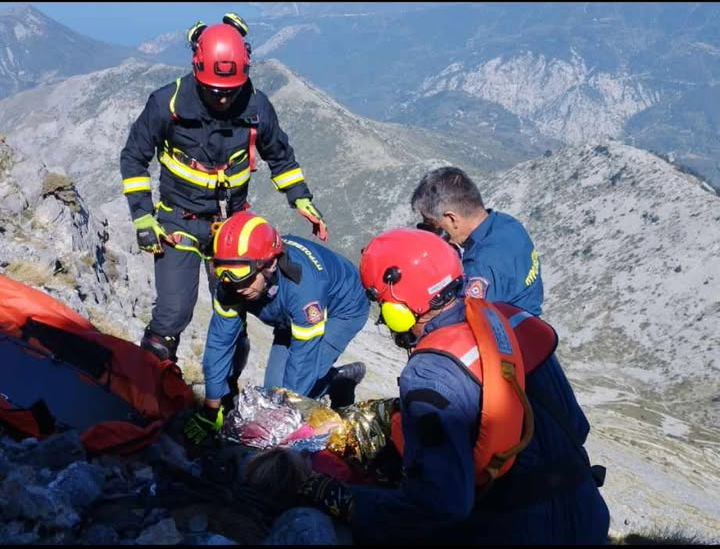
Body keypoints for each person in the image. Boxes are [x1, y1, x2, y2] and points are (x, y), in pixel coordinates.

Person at [297, 227, 609, 544]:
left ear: (397, 310)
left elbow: (439, 504)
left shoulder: (428, 374)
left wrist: (341, 497)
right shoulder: (510, 320)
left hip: (516, 529)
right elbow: (575, 426)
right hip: (587, 514)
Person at [120, 13, 328, 363]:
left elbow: (279, 155)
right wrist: (142, 216)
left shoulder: (256, 105)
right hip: (177, 222)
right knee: (173, 314)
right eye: (215, 91)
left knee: (231, 318)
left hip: (232, 227)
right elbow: (134, 158)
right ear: (197, 69)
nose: (223, 100)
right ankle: (148, 390)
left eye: (230, 92)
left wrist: (300, 197)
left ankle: (222, 405)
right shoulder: (166, 104)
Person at [183, 211, 369, 445]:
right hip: (287, 313)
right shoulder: (232, 286)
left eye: (245, 278)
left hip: (341, 309)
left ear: (270, 264)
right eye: (227, 276)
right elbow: (220, 342)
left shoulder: (304, 289)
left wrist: (284, 420)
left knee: (297, 398)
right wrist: (211, 408)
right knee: (274, 392)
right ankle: (322, 384)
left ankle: (338, 381)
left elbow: (302, 360)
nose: (238, 288)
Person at [411, 166, 544, 315]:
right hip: (527, 322)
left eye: (431, 224)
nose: (433, 233)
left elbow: (457, 322)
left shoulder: (480, 267)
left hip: (510, 334)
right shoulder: (506, 223)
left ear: (451, 219)